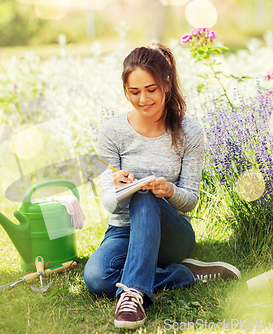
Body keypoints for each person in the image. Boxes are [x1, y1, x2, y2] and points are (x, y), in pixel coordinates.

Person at [83, 43, 241, 330]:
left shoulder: (189, 132)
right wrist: (117, 188)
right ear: (125, 90)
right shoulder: (111, 132)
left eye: (151, 89)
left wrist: (168, 191)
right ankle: (183, 274)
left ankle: (133, 295)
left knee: (145, 196)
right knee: (97, 278)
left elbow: (191, 199)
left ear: (166, 84)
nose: (143, 99)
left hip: (172, 236)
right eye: (134, 92)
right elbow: (108, 203)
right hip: (123, 231)